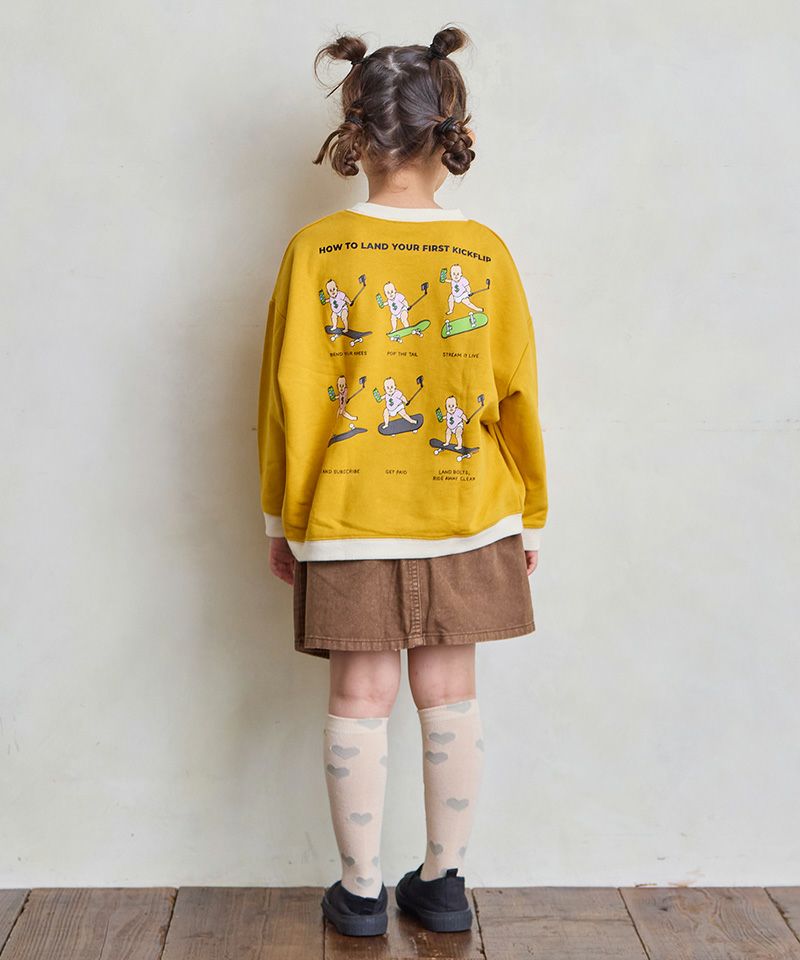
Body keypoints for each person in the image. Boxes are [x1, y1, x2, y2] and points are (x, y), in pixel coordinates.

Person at [256, 25, 548, 937]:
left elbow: (286, 397)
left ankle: (359, 894)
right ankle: (444, 884)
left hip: (349, 513)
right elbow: (517, 394)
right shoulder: (485, 252)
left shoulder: (315, 250)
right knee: (450, 698)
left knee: (359, 701)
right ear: (446, 129)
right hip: (470, 510)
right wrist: (530, 516)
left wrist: (282, 519)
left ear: (356, 131)